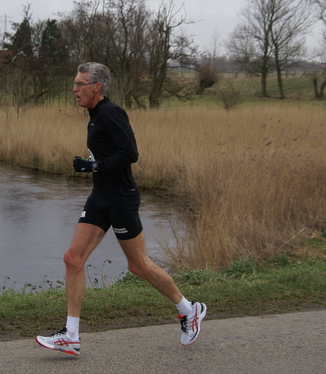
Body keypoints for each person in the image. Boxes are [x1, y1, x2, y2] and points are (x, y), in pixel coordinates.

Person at [35, 62, 207, 356]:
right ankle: (71, 335)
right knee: (72, 259)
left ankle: (189, 309)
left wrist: (95, 165)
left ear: (96, 87)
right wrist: (94, 167)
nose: (74, 90)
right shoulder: (94, 116)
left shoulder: (111, 113)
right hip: (100, 197)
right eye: (74, 84)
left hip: (121, 199)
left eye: (79, 85)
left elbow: (130, 153)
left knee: (138, 265)